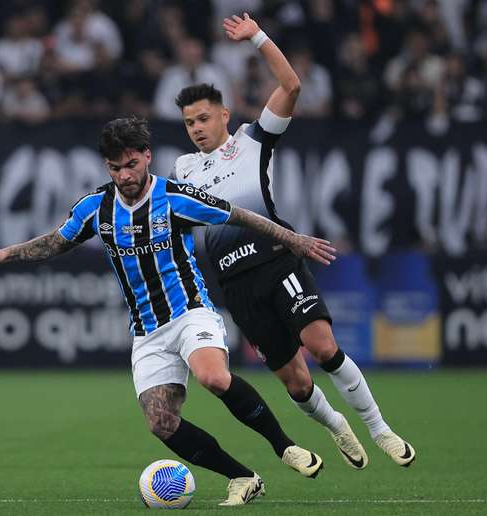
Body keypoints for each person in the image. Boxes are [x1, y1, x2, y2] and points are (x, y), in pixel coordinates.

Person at [0, 117, 336, 506]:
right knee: (161, 422)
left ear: (147, 157)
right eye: (115, 168)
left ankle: (284, 446)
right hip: (147, 331)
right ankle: (243, 478)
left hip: (190, 312)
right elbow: (57, 242)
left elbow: (238, 214)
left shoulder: (175, 197)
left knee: (212, 377)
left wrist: (292, 239)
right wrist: (5, 253)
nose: (125, 175)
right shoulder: (96, 207)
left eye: (131, 164)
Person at [171, 12, 415, 470]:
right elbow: (174, 227)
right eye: (188, 122)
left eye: (203, 118)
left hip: (275, 261)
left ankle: (380, 429)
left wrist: (258, 37)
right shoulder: (182, 170)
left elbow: (292, 87)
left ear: (224, 115)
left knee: (323, 346)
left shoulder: (251, 140)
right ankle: (335, 426)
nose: (197, 128)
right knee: (296, 383)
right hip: (235, 284)